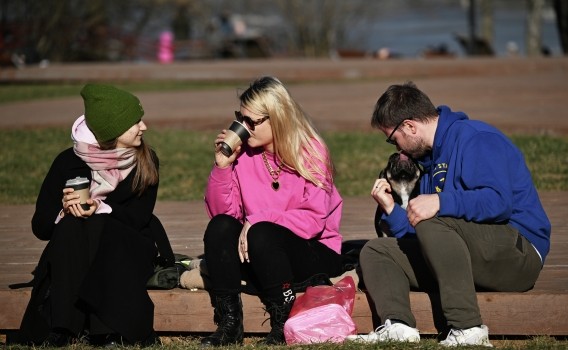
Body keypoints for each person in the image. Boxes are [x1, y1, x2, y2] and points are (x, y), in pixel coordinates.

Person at [346, 82, 551, 347]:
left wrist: (441, 201)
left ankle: (467, 329)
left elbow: (499, 202)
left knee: (433, 222)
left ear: (409, 126)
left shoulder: (476, 138)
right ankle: (398, 326)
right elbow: (431, 238)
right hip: (469, 255)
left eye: (392, 138)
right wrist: (390, 209)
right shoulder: (429, 163)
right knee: (377, 251)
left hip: (518, 254)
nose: (397, 149)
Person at [16, 84, 174, 347]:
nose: (144, 126)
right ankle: (62, 328)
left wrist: (100, 207)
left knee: (100, 223)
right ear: (111, 130)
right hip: (76, 246)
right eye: (135, 122)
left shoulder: (145, 161)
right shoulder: (68, 162)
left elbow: (138, 218)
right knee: (69, 226)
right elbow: (41, 227)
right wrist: (63, 211)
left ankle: (107, 328)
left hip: (129, 243)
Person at [201, 76, 344, 346]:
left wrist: (257, 219)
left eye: (251, 122)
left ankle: (283, 320)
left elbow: (313, 221)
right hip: (262, 253)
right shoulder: (243, 155)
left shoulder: (311, 151)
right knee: (220, 226)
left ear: (277, 118)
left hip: (312, 250)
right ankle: (229, 322)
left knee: (262, 232)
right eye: (240, 118)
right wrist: (222, 167)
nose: (243, 128)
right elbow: (222, 214)